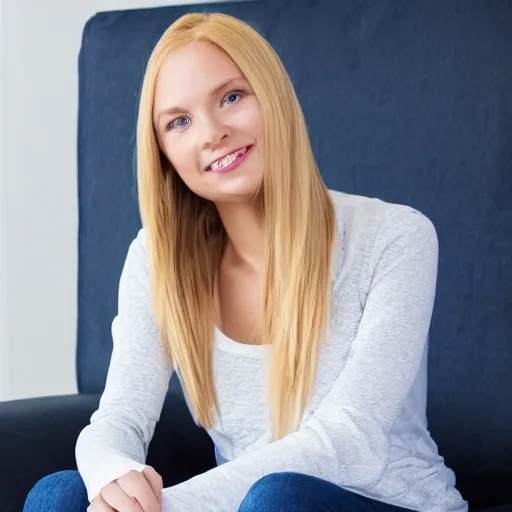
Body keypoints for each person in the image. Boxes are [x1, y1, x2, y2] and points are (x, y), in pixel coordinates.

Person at [24, 12, 468, 512]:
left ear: (272, 96)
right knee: (57, 496)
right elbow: (119, 421)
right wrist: (115, 479)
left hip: (383, 503)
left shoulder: (395, 237)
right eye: (179, 122)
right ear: (164, 153)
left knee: (278, 499)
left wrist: (163, 508)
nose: (212, 133)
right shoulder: (156, 260)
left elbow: (351, 443)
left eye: (231, 97)